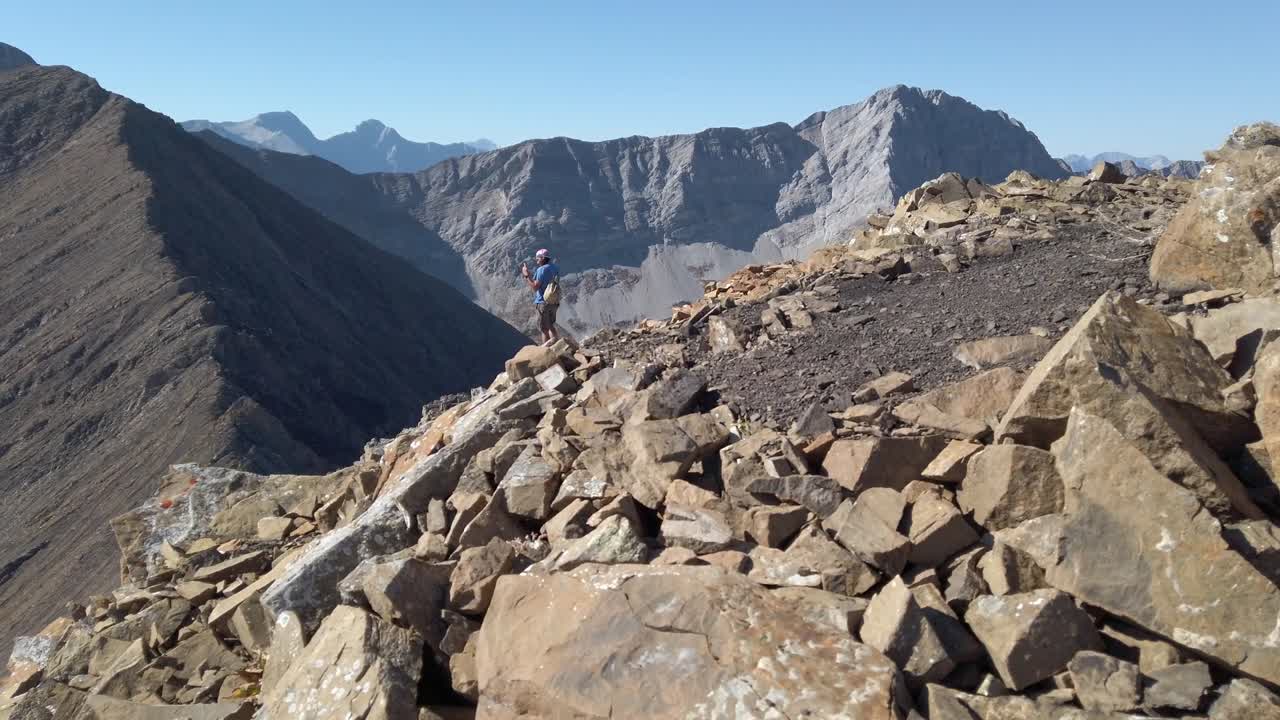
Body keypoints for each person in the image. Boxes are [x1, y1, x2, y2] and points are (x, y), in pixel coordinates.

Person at [521, 248, 560, 345]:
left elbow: (535, 287)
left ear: (542, 258)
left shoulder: (541, 269)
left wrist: (526, 275)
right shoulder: (554, 267)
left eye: (537, 258)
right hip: (554, 300)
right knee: (551, 325)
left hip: (543, 301)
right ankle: (558, 346)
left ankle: (547, 351)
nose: (536, 260)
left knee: (545, 328)